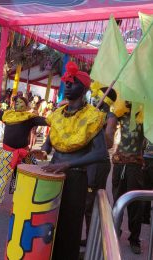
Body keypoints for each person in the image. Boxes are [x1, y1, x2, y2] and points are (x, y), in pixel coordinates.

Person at [41, 61, 108, 260]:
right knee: (49, 220)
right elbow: (49, 141)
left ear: (84, 88)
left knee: (69, 226)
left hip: (75, 179)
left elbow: (101, 154)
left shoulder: (93, 116)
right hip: (52, 174)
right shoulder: (58, 114)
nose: (68, 85)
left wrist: (68, 164)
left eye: (73, 82)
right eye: (67, 82)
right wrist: (44, 151)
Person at [0, 94, 47, 204]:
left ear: (27, 106)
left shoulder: (30, 118)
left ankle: (24, 202)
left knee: (24, 179)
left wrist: (60, 116)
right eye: (16, 102)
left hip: (23, 155)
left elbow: (46, 121)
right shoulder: (7, 115)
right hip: (5, 152)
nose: (17, 104)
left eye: (21, 102)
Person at [81, 86, 118, 245]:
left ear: (105, 99)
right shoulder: (93, 112)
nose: (94, 98)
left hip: (98, 165)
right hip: (87, 161)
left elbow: (109, 143)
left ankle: (92, 240)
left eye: (98, 96)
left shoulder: (110, 117)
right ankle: (90, 238)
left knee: (91, 202)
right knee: (85, 201)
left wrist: (97, 124)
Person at [111, 101, 145, 254]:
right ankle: (114, 230)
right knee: (117, 199)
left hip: (134, 165)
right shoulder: (119, 114)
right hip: (118, 163)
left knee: (134, 203)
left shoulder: (145, 116)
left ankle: (134, 239)